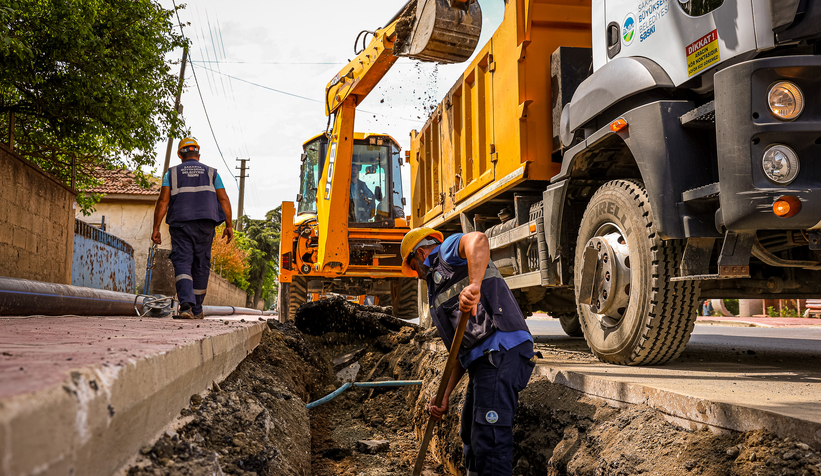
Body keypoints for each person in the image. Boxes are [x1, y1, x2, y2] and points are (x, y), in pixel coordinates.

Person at [400, 227, 535, 475]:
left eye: (413, 266)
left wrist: (474, 284)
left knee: (489, 438)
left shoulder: (447, 251)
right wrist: (445, 393)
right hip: (481, 361)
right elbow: (458, 350)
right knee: (470, 434)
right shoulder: (436, 289)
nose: (416, 275)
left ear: (419, 253)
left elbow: (478, 239)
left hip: (501, 350)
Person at [151, 138, 233, 319]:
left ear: (180, 155)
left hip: (181, 223)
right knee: (201, 264)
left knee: (182, 261)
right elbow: (224, 199)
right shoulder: (212, 173)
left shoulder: (171, 174)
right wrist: (229, 225)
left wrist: (156, 228)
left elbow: (163, 201)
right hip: (205, 223)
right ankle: (197, 309)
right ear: (198, 155)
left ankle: (186, 307)